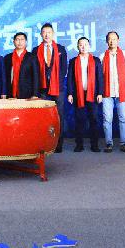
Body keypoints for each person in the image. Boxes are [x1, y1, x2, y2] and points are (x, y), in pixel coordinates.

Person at [33, 23, 68, 152]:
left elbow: (64, 68)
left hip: (58, 88)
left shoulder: (60, 49)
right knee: (43, 116)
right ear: (41, 34)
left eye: (49, 32)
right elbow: (35, 69)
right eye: (44, 32)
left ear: (53, 34)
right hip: (42, 88)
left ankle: (58, 144)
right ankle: (45, 143)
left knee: (59, 116)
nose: (46, 35)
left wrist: (56, 81)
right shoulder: (36, 50)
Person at [67, 37, 103, 152]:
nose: (83, 47)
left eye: (85, 44)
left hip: (93, 94)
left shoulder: (96, 60)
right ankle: (79, 145)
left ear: (89, 46)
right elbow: (70, 79)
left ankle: (94, 145)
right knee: (79, 120)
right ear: (77, 47)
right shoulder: (73, 61)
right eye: (81, 45)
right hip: (79, 94)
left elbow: (100, 77)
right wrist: (70, 93)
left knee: (94, 119)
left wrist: (100, 93)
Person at [101, 31, 125, 153]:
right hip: (107, 92)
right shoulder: (102, 56)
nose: (112, 41)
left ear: (118, 40)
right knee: (107, 119)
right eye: (110, 39)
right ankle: (109, 143)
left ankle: (124, 143)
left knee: (123, 118)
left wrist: (123, 86)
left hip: (121, 92)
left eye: (114, 39)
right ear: (106, 41)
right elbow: (100, 75)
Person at [4, 32, 40, 99]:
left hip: (27, 94)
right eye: (17, 39)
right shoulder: (7, 58)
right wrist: (4, 93)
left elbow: (36, 76)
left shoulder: (32, 57)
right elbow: (4, 77)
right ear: (14, 42)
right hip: (10, 94)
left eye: (22, 39)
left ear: (26, 42)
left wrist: (35, 94)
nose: (19, 42)